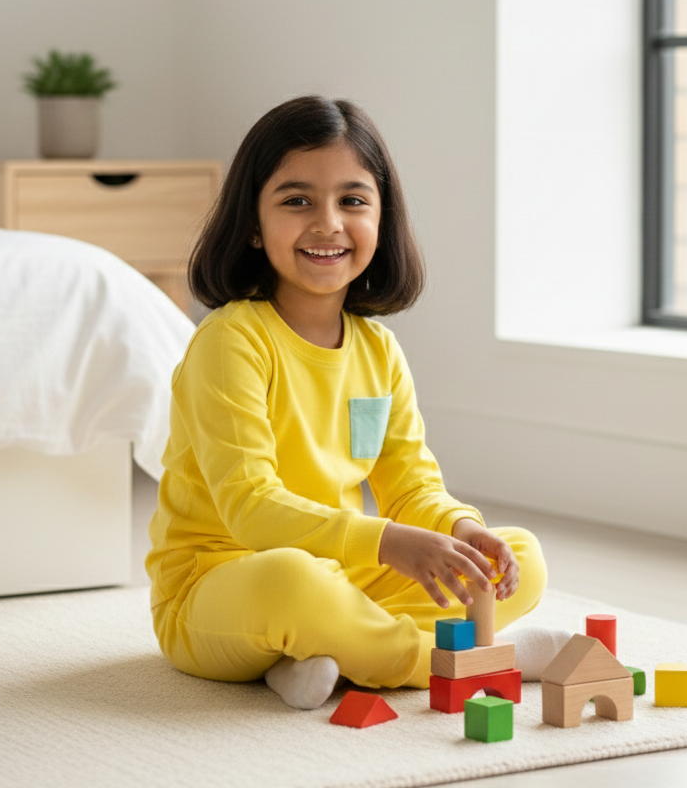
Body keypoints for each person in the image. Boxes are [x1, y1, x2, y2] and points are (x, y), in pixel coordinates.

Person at [146, 95, 550, 709]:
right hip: (219, 585)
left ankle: (320, 660)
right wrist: (390, 542)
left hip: (341, 572)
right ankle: (458, 661)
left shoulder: (379, 350)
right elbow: (250, 509)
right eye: (297, 200)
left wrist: (462, 530)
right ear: (253, 223)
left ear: (381, 219)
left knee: (518, 555)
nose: (328, 223)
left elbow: (411, 487)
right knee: (294, 583)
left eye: (353, 201)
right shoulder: (230, 341)